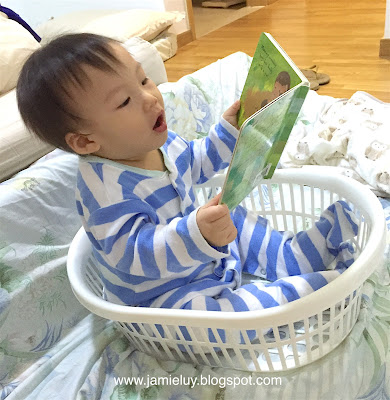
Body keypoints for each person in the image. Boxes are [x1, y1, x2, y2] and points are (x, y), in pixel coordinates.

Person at [17, 33, 358, 321]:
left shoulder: (156, 141)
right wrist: (196, 234)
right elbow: (137, 254)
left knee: (230, 212)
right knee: (217, 319)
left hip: (204, 254)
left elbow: (196, 162)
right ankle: (301, 294)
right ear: (87, 141)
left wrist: (228, 133)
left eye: (142, 79)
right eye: (124, 101)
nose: (150, 97)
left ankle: (293, 256)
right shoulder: (105, 192)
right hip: (162, 296)